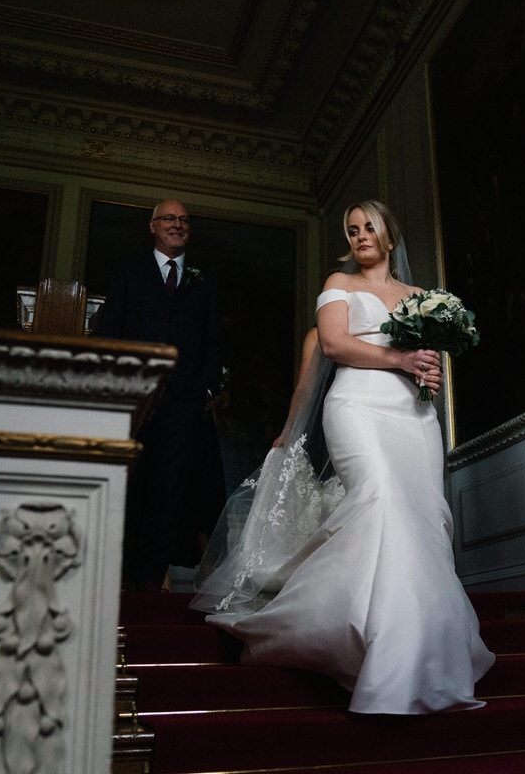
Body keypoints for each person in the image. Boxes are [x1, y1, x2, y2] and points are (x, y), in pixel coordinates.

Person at [192, 199, 494, 714]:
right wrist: (397, 359)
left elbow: (431, 360)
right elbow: (332, 345)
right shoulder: (340, 285)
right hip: (356, 406)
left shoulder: (423, 298)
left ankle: (414, 647)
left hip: (414, 418)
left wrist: (428, 371)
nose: (360, 236)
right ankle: (363, 646)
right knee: (378, 500)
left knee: (424, 518)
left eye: (369, 227)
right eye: (352, 230)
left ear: (390, 236)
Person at [94, 199, 225, 593]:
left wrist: (206, 387)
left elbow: (213, 341)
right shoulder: (128, 272)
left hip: (184, 402)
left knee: (171, 488)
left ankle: (153, 577)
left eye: (184, 220)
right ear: (152, 226)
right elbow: (109, 333)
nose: (177, 224)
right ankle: (122, 571)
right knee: (132, 481)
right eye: (169, 218)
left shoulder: (205, 281)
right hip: (135, 398)